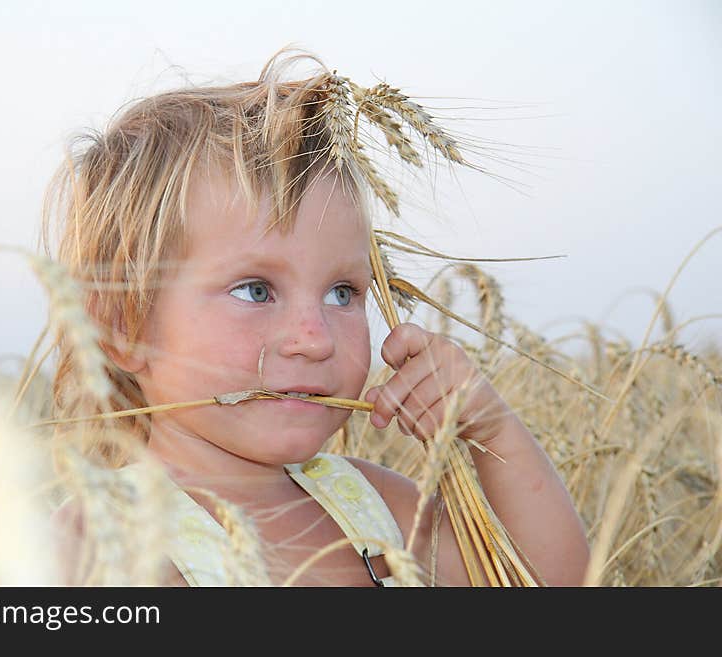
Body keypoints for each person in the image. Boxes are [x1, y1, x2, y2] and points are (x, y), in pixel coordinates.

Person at [41, 48, 589, 587]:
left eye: (342, 293)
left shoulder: (376, 507)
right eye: (256, 290)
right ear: (122, 326)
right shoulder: (103, 543)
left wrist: (492, 429)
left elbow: (550, 581)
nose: (314, 339)